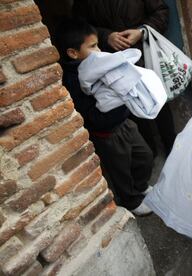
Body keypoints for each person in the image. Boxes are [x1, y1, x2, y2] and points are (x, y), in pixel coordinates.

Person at [54, 19, 153, 216]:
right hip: (107, 135)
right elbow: (94, 115)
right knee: (120, 170)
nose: (99, 50)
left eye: (98, 44)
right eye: (92, 46)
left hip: (125, 124)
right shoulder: (74, 80)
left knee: (145, 156)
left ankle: (140, 186)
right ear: (73, 53)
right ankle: (131, 200)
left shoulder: (100, 65)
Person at [72, 0, 176, 156]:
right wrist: (106, 36)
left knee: (159, 101)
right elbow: (79, 27)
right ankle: (149, 154)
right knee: (130, 109)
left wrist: (140, 32)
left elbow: (161, 11)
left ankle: (172, 148)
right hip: (109, 64)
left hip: (144, 54)